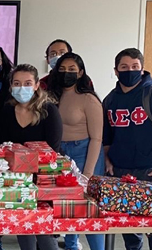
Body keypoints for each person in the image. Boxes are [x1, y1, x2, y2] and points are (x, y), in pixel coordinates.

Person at [103, 48, 152, 250]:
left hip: (150, 171)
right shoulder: (110, 99)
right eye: (124, 67)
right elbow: (106, 135)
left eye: (134, 67)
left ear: (142, 69)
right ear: (116, 71)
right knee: (129, 229)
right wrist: (107, 160)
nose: (129, 70)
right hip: (120, 172)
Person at [0, 64, 61, 250]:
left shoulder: (49, 111)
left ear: (36, 85)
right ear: (10, 86)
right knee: (24, 227)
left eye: (27, 83)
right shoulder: (6, 111)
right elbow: (3, 147)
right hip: (17, 181)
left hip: (43, 179)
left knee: (44, 234)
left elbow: (53, 151)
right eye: (17, 83)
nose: (22, 87)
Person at [48, 52, 105, 250]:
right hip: (61, 154)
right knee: (68, 206)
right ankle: (72, 246)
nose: (67, 73)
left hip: (85, 152)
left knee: (89, 209)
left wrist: (88, 173)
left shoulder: (89, 99)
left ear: (80, 73)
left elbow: (97, 138)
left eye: (72, 70)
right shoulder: (53, 96)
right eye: (62, 69)